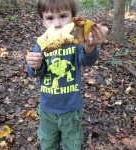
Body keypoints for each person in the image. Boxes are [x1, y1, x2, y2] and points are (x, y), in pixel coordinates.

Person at [26, 0, 108, 149]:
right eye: (50, 18)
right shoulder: (41, 45)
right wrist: (34, 65)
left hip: (71, 109)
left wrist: (90, 46)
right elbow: (36, 73)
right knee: (48, 142)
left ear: (73, 19)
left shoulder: (76, 42)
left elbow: (86, 60)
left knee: (72, 143)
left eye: (63, 16)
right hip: (47, 109)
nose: (57, 24)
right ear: (42, 21)